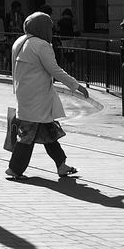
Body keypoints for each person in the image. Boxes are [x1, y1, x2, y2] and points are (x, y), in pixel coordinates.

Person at [6, 11, 88, 180]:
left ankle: (61, 165)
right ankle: (14, 169)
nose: (52, 30)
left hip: (26, 95)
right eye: (50, 27)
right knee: (28, 135)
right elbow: (55, 70)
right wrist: (76, 85)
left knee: (48, 132)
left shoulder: (19, 41)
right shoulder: (42, 45)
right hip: (39, 98)